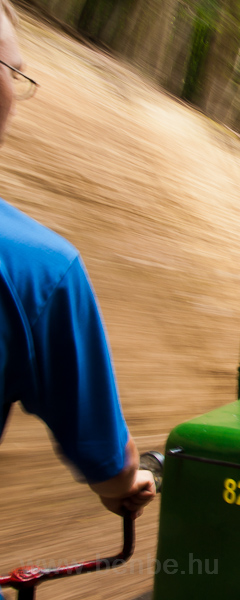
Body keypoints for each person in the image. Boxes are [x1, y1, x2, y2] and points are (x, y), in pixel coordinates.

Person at [0, 0, 154, 522]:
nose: (18, 93)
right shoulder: (40, 268)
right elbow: (109, 466)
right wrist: (126, 485)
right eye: (12, 72)